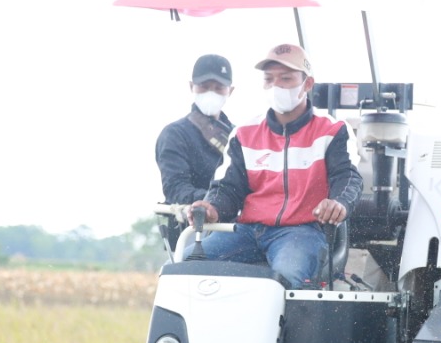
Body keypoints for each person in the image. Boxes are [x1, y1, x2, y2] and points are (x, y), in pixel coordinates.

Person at [188, 43, 363, 288]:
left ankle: (288, 328)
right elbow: (228, 189)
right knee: (186, 265)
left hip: (302, 232)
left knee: (286, 277)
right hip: (247, 231)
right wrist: (212, 207)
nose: (276, 86)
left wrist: (338, 202)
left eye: (286, 79)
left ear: (308, 84)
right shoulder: (244, 134)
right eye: (269, 79)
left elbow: (347, 178)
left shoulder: (332, 131)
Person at [154, 54, 236, 249]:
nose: (211, 93)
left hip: (238, 226)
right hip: (193, 226)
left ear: (230, 91)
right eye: (204, 86)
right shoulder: (174, 134)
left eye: (218, 88)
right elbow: (176, 188)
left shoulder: (239, 135)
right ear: (191, 87)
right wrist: (217, 203)